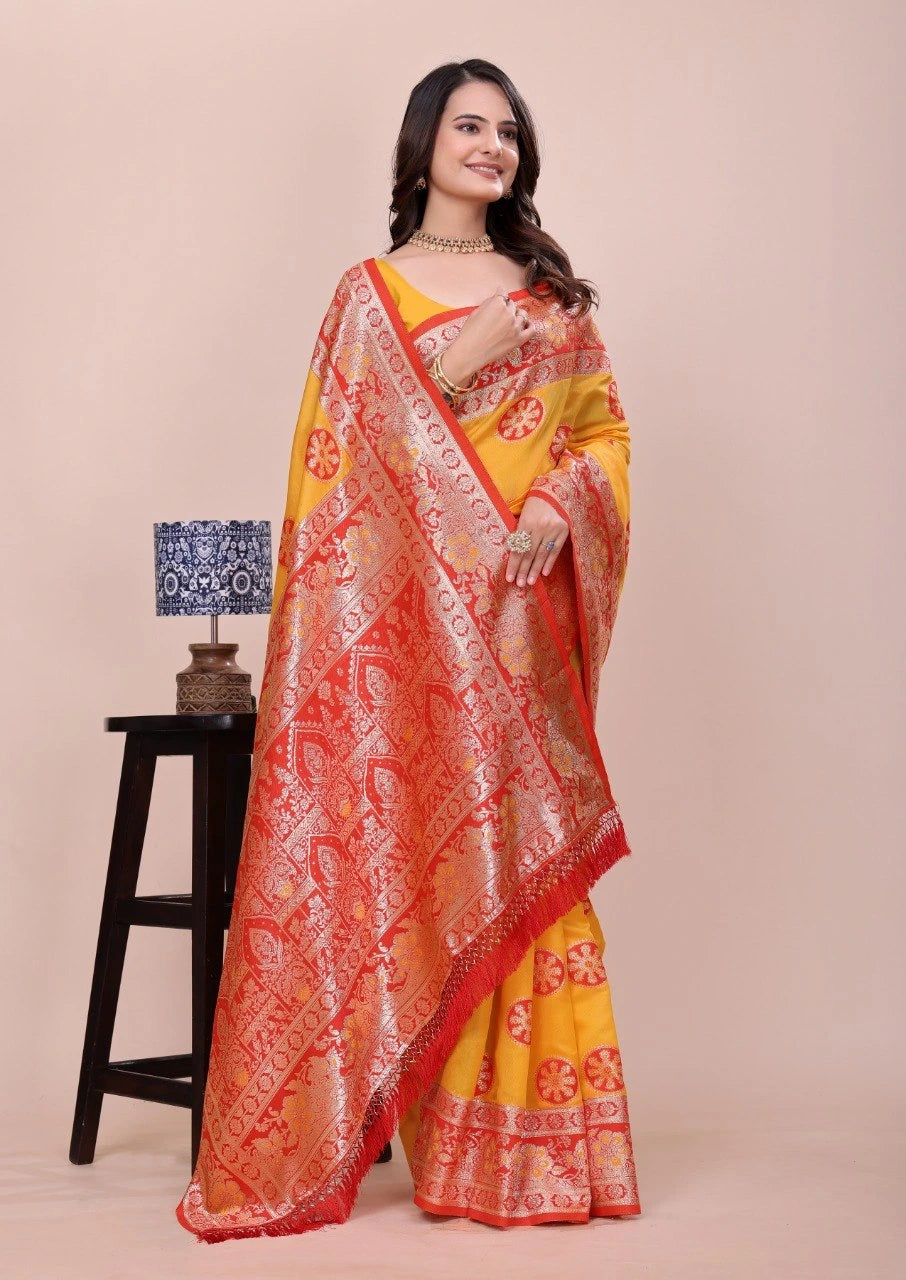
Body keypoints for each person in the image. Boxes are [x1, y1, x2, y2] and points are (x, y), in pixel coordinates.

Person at [176, 57, 640, 1243]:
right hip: (408, 642)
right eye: (469, 125)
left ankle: (540, 1154)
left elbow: (603, 438)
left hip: (516, 623)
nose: (492, 147)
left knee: (525, 855)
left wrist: (559, 505)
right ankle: (446, 1140)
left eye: (509, 132)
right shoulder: (366, 296)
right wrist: (456, 359)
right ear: (424, 141)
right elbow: (337, 471)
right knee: (432, 852)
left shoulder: (552, 296)